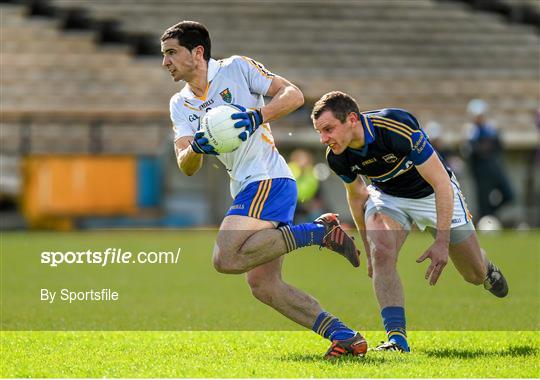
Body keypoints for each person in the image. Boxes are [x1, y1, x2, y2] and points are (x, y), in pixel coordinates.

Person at [161, 22, 366, 359]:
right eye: (164, 54)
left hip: (268, 179)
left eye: (171, 52)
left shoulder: (237, 68)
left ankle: (319, 232)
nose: (165, 62)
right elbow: (186, 164)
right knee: (264, 285)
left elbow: (294, 95)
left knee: (225, 258)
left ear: (197, 52)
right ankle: (345, 337)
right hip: (245, 185)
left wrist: (259, 116)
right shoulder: (180, 105)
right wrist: (197, 145)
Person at [311, 91, 508, 352]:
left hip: (432, 193)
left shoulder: (395, 126)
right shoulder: (337, 155)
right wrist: (369, 250)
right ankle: (397, 339)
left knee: (473, 274)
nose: (324, 139)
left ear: (351, 119)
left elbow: (440, 183)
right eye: (319, 132)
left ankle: (487, 269)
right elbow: (357, 196)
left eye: (328, 129)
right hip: (388, 197)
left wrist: (441, 240)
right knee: (382, 251)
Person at [463, 99, 514, 220]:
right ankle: (486, 219)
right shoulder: (470, 131)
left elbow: (499, 147)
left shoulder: (491, 128)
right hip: (481, 173)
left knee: (509, 195)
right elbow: (473, 151)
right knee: (483, 202)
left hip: (495, 169)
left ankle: (490, 214)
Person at [287, 149, 326, 223]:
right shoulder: (289, 170)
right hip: (293, 205)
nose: (303, 163)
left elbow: (317, 190)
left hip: (308, 204)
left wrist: (316, 202)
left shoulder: (311, 172)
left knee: (317, 213)